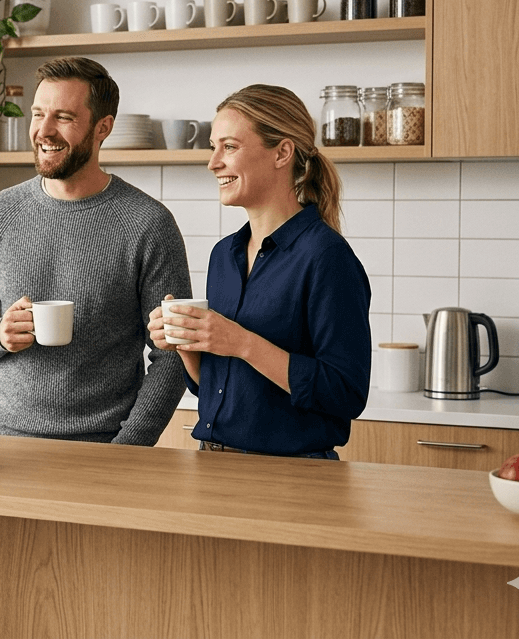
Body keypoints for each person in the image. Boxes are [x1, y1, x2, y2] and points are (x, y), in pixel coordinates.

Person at [0, 56, 191, 445]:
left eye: (62, 117)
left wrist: (128, 448)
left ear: (103, 128)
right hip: (4, 444)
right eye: (37, 114)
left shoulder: (148, 222)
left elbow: (174, 354)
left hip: (104, 448)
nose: (43, 131)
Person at [146, 84, 371, 459]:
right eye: (213, 147)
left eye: (229, 147)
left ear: (282, 153)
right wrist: (187, 342)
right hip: (212, 461)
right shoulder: (225, 255)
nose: (213, 162)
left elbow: (346, 393)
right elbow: (216, 389)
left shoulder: (327, 257)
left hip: (291, 479)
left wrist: (243, 343)